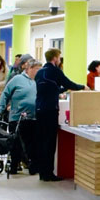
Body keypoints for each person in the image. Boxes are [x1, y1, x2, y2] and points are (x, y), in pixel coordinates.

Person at [35, 48, 84, 181]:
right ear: (55, 58)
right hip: (50, 109)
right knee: (50, 141)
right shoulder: (55, 71)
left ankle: (42, 172)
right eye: (59, 57)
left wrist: (61, 89)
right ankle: (48, 173)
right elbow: (68, 83)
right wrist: (83, 87)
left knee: (41, 141)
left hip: (39, 109)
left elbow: (49, 88)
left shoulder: (40, 72)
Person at [0, 55, 40, 174]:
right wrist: (0, 109)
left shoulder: (39, 80)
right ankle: (14, 165)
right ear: (29, 69)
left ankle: (32, 166)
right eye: (37, 69)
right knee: (16, 143)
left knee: (32, 144)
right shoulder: (17, 79)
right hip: (17, 117)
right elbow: (5, 94)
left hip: (34, 117)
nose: (39, 71)